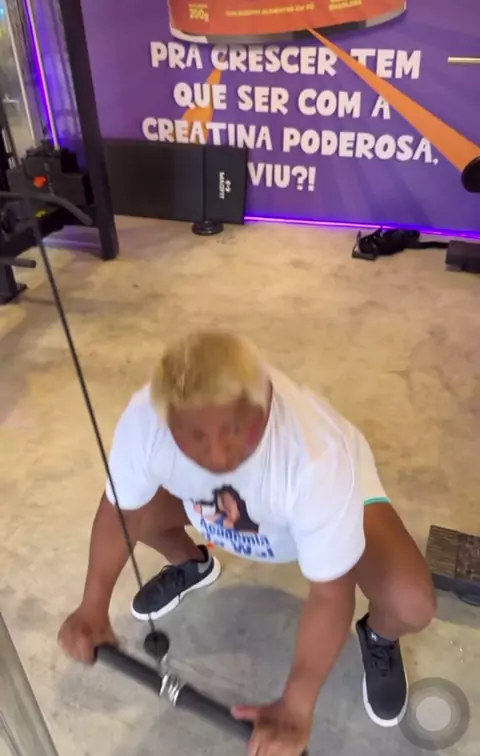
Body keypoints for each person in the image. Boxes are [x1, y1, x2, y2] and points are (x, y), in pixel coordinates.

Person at [58, 329, 436, 756]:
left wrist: (297, 704)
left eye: (235, 429)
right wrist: (91, 607)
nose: (219, 456)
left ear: (265, 402)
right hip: (224, 513)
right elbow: (120, 513)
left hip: (312, 508)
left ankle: (380, 636)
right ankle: (192, 563)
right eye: (195, 437)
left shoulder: (317, 457)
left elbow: (331, 593)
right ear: (168, 420)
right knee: (135, 505)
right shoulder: (146, 418)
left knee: (411, 603)